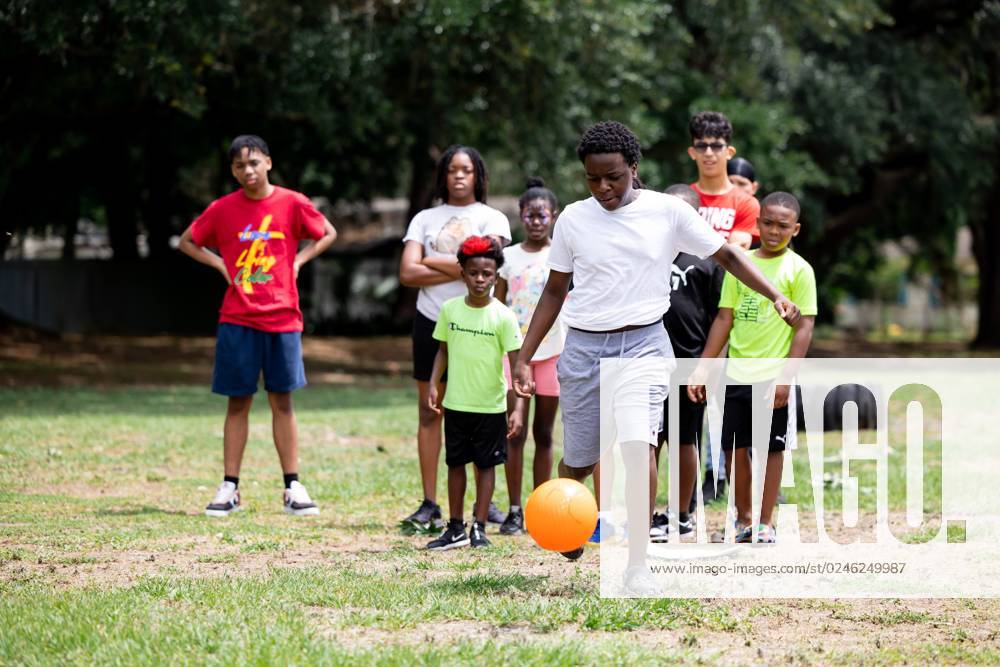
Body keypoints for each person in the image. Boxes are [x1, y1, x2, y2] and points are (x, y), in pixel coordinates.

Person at [513, 121, 801, 594]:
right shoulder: (574, 219)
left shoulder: (666, 212)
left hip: (644, 345)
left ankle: (637, 566)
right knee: (578, 463)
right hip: (584, 348)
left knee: (639, 445)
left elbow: (728, 256)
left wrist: (775, 295)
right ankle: (570, 518)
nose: (603, 187)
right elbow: (555, 290)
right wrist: (525, 356)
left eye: (613, 177)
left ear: (633, 167)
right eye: (592, 178)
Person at [178, 134, 337, 517]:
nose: (248, 170)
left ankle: (293, 486)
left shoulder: (292, 203)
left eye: (253, 162)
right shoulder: (222, 209)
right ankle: (230, 487)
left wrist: (299, 261)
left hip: (283, 317)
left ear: (268, 162)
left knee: (282, 401)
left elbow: (328, 232)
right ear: (233, 171)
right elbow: (187, 241)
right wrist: (220, 264)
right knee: (238, 403)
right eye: (239, 166)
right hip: (238, 318)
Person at [688, 192, 816, 544]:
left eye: (783, 226)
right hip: (736, 375)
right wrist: (702, 368)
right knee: (733, 449)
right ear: (757, 224)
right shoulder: (740, 266)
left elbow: (804, 327)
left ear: (795, 229)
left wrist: (786, 377)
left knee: (772, 449)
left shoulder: (799, 270)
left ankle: (765, 522)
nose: (774, 231)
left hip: (773, 377)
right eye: (768, 223)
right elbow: (723, 319)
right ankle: (743, 519)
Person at [398, 146, 512, 530]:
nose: (459, 176)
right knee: (430, 411)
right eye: (452, 170)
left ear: (478, 175)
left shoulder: (492, 217)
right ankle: (430, 502)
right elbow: (407, 273)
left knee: (479, 414)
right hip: (431, 319)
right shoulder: (424, 219)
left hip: (478, 326)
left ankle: (483, 504)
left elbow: (489, 264)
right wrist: (461, 265)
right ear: (443, 176)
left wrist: (429, 260)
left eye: (466, 170)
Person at [426, 237, 524, 550]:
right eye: (473, 273)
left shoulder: (504, 316)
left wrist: (518, 408)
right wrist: (433, 384)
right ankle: (455, 527)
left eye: (486, 274)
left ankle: (478, 527)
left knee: (486, 466)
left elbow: (516, 366)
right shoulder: (450, 310)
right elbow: (442, 351)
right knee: (455, 464)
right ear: (463, 274)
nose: (480, 279)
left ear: (495, 277)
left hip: (491, 407)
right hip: (456, 404)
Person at [649, 184, 725, 542]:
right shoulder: (648, 252)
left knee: (684, 439)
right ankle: (644, 513)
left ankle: (680, 514)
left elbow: (720, 319)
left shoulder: (708, 260)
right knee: (648, 440)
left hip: (689, 364)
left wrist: (707, 368)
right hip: (648, 361)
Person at [494, 178, 565, 535]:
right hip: (515, 355)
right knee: (515, 431)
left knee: (544, 433)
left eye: (543, 216)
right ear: (521, 216)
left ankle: (541, 507)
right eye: (530, 215)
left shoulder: (562, 256)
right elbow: (497, 304)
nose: (536, 222)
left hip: (553, 352)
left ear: (554, 217)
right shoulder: (508, 258)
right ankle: (514, 509)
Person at [688, 111, 760, 249]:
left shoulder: (747, 203)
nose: (708, 153)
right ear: (692, 152)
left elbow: (734, 256)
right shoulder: (681, 200)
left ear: (729, 152)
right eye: (701, 146)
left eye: (716, 146)